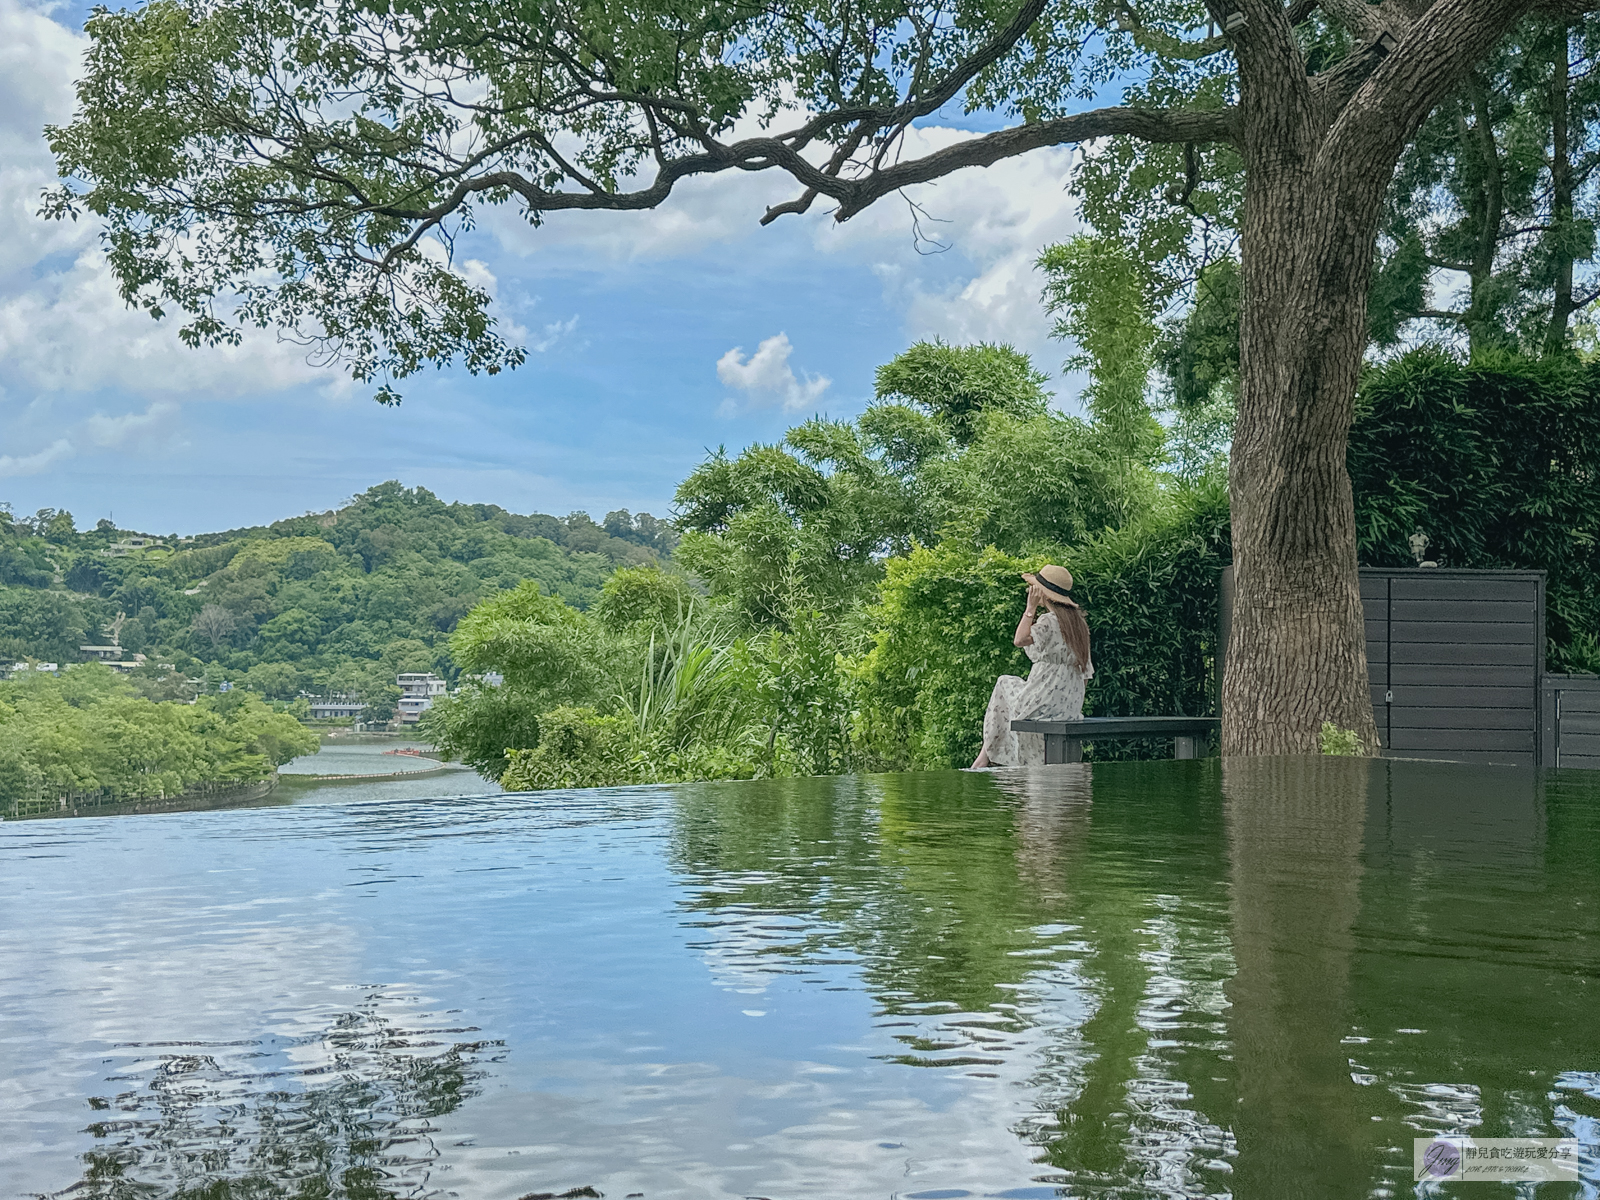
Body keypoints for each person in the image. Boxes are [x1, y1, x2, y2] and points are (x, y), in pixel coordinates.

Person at [971, 564, 1093, 768]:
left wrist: (1030, 608)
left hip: (1040, 701)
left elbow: (1019, 640)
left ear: (1044, 594)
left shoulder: (1049, 621)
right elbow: (1086, 673)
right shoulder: (1080, 626)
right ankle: (985, 753)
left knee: (1003, 682)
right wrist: (1072, 704)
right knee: (1010, 689)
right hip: (1069, 706)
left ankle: (985, 755)